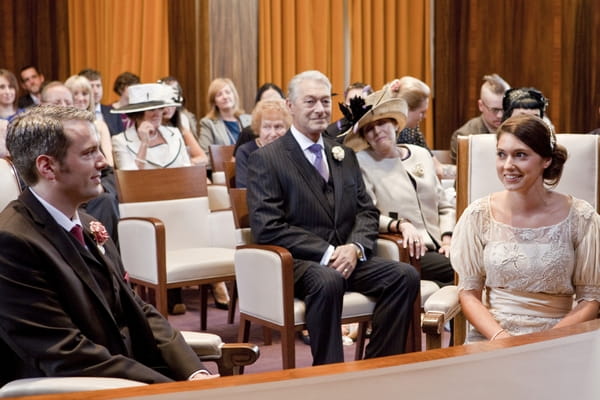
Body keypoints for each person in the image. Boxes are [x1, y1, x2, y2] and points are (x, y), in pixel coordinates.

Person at [0, 105, 216, 385]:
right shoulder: (12, 242)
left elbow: (136, 309)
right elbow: (66, 353)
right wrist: (171, 390)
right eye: (89, 153)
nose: (103, 161)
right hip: (76, 388)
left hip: (127, 374)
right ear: (47, 167)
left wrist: (194, 373)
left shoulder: (89, 224)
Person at [247, 70, 419, 365]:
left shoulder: (343, 153)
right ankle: (330, 374)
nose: (320, 109)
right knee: (328, 280)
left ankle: (377, 367)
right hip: (299, 263)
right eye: (310, 101)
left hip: (348, 256)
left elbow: (366, 211)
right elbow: (268, 227)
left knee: (404, 276)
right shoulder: (267, 159)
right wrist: (327, 253)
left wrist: (355, 247)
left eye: (325, 101)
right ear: (290, 106)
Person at [451, 114, 600, 343]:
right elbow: (468, 293)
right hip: (492, 337)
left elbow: (590, 299)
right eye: (501, 155)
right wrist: (501, 338)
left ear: (546, 160)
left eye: (520, 155)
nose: (508, 166)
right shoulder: (478, 215)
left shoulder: (582, 217)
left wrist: (546, 341)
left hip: (559, 338)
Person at [344, 88, 455, 288]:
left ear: (395, 124)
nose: (377, 131)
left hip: (440, 247)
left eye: (382, 123)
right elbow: (365, 214)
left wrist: (448, 239)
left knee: (471, 262)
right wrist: (400, 224)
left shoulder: (420, 154)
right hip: (405, 249)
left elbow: (445, 206)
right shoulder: (361, 163)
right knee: (461, 268)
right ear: (364, 137)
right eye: (369, 128)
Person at [41, 81, 121, 249]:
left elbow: (107, 171)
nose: (63, 107)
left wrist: (101, 186)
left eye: (68, 103)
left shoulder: (83, 134)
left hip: (90, 200)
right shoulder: (36, 140)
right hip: (56, 205)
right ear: (42, 106)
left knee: (106, 200)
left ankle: (104, 260)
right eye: (57, 103)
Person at [111, 83, 191, 171]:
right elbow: (129, 179)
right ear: (137, 114)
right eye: (151, 109)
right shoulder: (120, 141)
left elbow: (187, 169)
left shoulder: (175, 133)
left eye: (160, 108)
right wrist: (144, 143)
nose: (157, 114)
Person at [449, 74, 510, 163]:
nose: (500, 115)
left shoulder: (519, 131)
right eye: (494, 110)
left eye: (505, 108)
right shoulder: (465, 137)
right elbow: (463, 175)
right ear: (481, 106)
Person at [235, 99, 291, 188]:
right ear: (258, 129)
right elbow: (243, 189)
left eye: (278, 127)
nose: (273, 133)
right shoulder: (245, 152)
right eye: (266, 127)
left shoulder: (294, 149)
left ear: (287, 128)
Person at [199, 78, 251, 167]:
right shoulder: (208, 123)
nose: (225, 97)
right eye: (219, 94)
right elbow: (205, 155)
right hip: (223, 171)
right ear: (214, 101)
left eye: (228, 92)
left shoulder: (249, 120)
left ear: (234, 95)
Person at [65, 75, 114, 166]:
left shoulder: (100, 126)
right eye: (75, 94)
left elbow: (110, 162)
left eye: (84, 94)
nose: (81, 99)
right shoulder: (60, 126)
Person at [158, 76, 208, 166]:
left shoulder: (181, 126)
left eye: (173, 101)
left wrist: (186, 164)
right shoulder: (151, 127)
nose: (168, 107)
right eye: (165, 102)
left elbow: (203, 158)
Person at [234, 82, 285, 154]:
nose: (272, 105)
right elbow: (235, 162)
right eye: (267, 102)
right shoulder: (247, 133)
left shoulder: (292, 130)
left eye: (277, 101)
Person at [78, 68, 125, 136]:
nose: (96, 91)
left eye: (98, 86)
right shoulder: (76, 114)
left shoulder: (113, 112)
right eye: (91, 86)